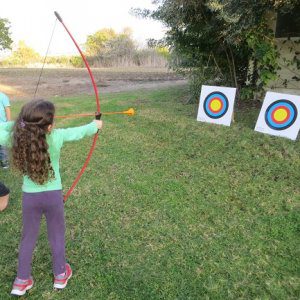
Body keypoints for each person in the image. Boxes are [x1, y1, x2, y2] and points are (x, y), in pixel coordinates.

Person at [0, 99, 103, 296]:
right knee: (56, 235)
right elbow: (80, 131)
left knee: (28, 237)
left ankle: (21, 281)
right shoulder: (56, 137)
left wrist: (18, 124)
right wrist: (95, 125)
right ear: (49, 127)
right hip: (53, 197)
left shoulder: (16, 139)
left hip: (30, 198)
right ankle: (60, 275)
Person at [0, 92, 11, 169]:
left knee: (3, 145)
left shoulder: (3, 96)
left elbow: (7, 110)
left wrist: (8, 123)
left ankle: (4, 162)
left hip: (2, 125)